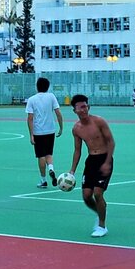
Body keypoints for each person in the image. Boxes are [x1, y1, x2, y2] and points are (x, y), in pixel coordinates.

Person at [69, 94, 115, 238]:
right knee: (87, 197)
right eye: (80, 107)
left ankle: (102, 226)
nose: (84, 110)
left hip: (104, 159)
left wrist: (108, 162)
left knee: (97, 193)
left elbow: (111, 142)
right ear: (74, 110)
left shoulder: (99, 121)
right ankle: (101, 212)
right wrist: (72, 171)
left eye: (85, 106)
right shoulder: (76, 128)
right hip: (91, 161)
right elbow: (77, 150)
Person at [25, 77, 63, 188]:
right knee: (49, 153)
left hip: (38, 132)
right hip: (50, 130)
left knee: (40, 155)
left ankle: (43, 180)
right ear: (48, 86)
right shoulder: (51, 97)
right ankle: (51, 168)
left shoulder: (32, 99)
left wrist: (31, 134)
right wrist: (61, 127)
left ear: (37, 86)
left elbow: (30, 118)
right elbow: (58, 113)